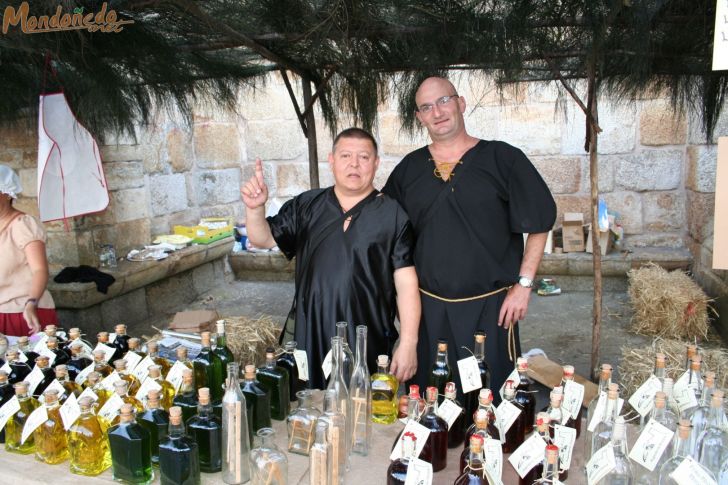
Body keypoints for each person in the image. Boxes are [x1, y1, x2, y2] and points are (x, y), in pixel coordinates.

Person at [382, 77, 556, 401]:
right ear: (419, 117)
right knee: (431, 404)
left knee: (488, 406)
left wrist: (524, 285)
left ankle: (481, 452)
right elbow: (384, 233)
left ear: (461, 103)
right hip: (427, 311)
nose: (437, 112)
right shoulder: (408, 170)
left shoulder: (503, 159)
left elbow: (540, 221)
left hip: (491, 310)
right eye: (426, 107)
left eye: (444, 101)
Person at [241, 128, 420, 389]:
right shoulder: (307, 205)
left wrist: (408, 342)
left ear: (376, 163)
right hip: (309, 332)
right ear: (332, 160)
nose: (354, 164)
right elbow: (262, 238)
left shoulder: (393, 215)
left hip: (366, 338)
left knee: (361, 414)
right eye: (346, 155)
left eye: (364, 157)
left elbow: (406, 283)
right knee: (307, 410)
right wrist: (254, 209)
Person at [0, 165, 58, 336]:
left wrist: (31, 303)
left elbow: (40, 270)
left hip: (24, 313)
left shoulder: (22, 225)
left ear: (6, 193)